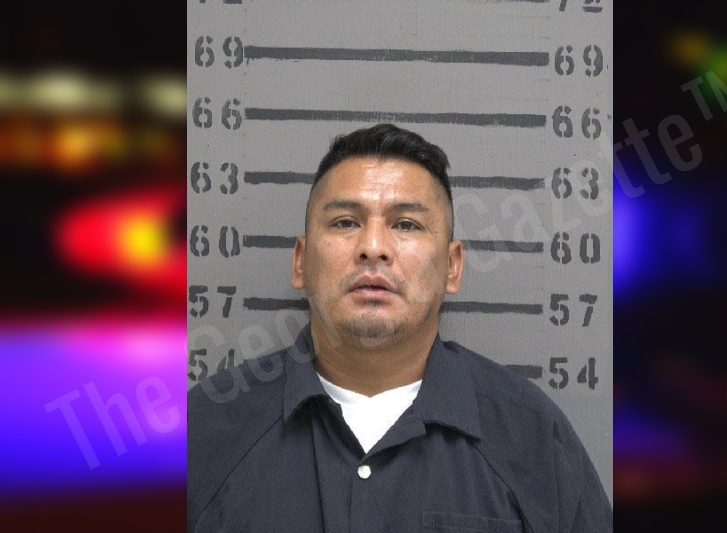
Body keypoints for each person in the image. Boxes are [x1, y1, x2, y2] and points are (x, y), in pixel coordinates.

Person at [187, 124, 612, 532]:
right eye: (345, 222)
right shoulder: (205, 430)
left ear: (452, 267)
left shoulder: (531, 437)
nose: (373, 247)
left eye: (406, 224)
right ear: (300, 262)